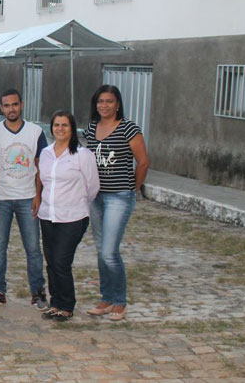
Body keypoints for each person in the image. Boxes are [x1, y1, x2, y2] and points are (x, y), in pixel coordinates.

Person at [84, 85, 150, 322]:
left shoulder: (128, 128)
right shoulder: (92, 128)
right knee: (101, 250)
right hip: (96, 197)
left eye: (109, 101)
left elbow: (143, 162)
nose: (104, 105)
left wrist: (133, 188)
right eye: (101, 101)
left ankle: (120, 301)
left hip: (119, 197)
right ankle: (106, 298)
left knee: (110, 251)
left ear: (118, 104)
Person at [0, 89, 49, 311]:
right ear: (1, 108)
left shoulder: (35, 132)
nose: (11, 109)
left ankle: (38, 292)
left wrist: (38, 195)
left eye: (14, 104)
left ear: (21, 105)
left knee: (33, 248)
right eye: (6, 105)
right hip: (1, 198)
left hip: (27, 198)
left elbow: (42, 166)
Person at [37, 111, 100, 322]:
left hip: (73, 216)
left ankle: (67, 305)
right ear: (51, 127)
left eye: (65, 125)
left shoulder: (82, 155)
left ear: (72, 128)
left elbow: (93, 186)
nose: (60, 129)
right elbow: (43, 181)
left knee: (61, 261)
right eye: (56, 125)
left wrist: (77, 201)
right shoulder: (45, 153)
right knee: (51, 262)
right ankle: (55, 303)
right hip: (47, 215)